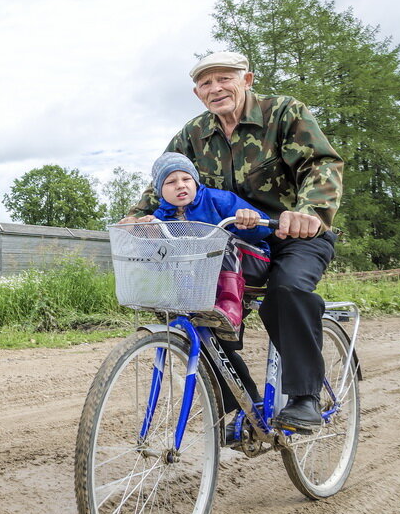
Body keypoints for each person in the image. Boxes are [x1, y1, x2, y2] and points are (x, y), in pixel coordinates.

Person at [122, 51, 343, 435]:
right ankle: (241, 404)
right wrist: (135, 217)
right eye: (207, 83)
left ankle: (304, 396)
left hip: (292, 233)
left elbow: (320, 164)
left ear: (247, 80)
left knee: (287, 290)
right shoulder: (192, 135)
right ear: (197, 92)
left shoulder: (284, 113)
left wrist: (308, 211)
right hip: (227, 243)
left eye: (225, 78)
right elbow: (164, 181)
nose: (216, 88)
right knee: (193, 313)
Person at [146, 151, 272, 341]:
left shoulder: (218, 199)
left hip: (251, 263)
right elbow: (158, 257)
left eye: (186, 179)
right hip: (207, 277)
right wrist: (152, 237)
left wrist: (250, 221)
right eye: (171, 182)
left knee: (218, 238)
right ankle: (178, 303)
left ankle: (230, 307)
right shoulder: (161, 217)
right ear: (159, 190)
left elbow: (264, 229)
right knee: (174, 250)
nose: (180, 185)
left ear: (195, 182)